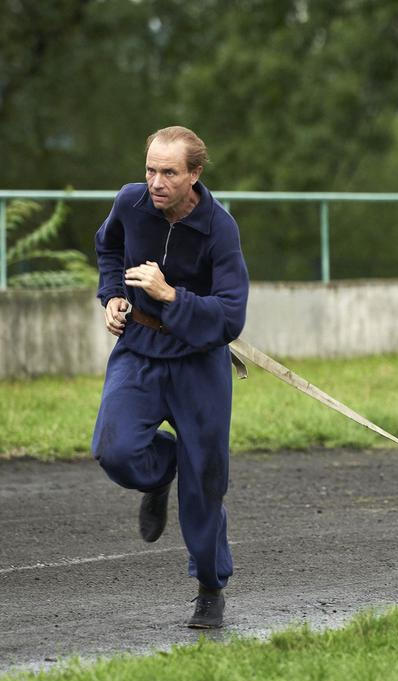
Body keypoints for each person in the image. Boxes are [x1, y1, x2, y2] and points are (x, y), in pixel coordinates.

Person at [91, 125, 249, 629]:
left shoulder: (220, 228)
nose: (156, 183)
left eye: (169, 173)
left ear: (194, 174)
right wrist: (113, 296)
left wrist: (170, 296)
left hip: (199, 361)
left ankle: (210, 588)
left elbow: (231, 316)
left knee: (205, 482)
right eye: (150, 170)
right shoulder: (130, 202)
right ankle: (160, 476)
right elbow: (108, 249)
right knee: (115, 449)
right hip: (139, 348)